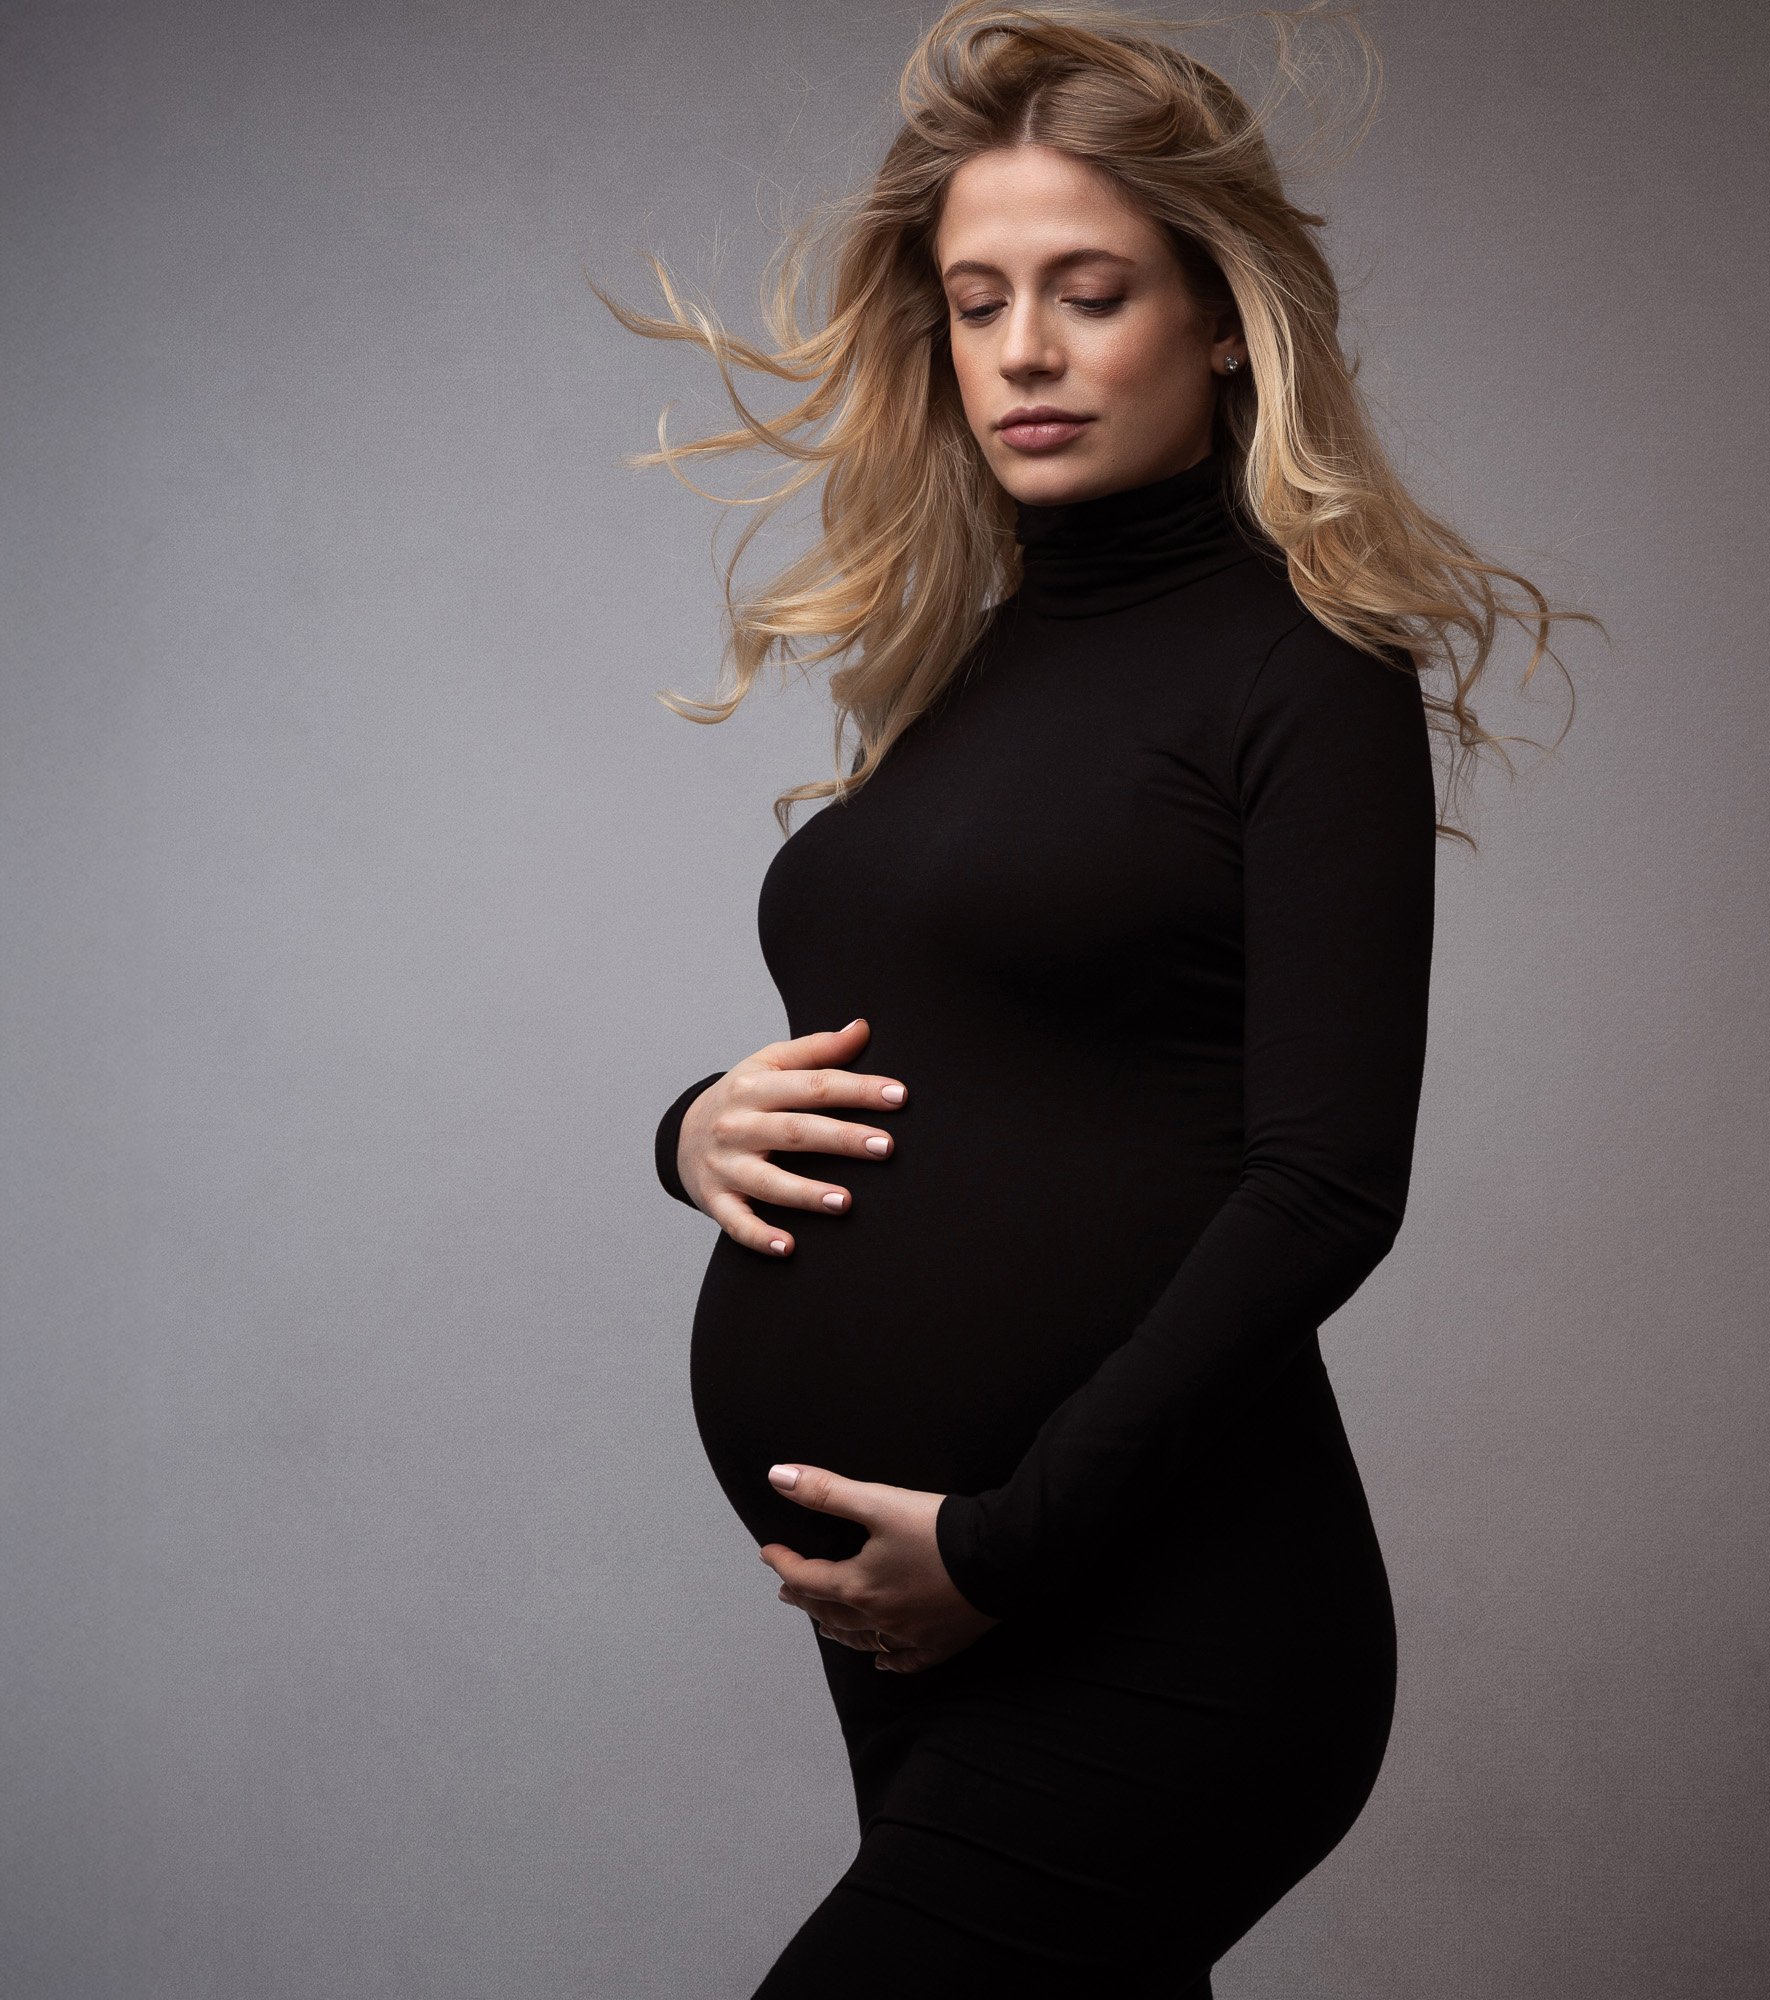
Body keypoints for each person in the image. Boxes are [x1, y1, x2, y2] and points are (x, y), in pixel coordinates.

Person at [605, 4, 1574, 1991]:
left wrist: (1005, 1543)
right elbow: (957, 1031)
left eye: (1087, 290)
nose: (1022, 351)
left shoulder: (1304, 670)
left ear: (1221, 316)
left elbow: (1324, 1180)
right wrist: (689, 1122)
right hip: (921, 1620)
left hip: (1166, 1625)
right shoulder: (973, 669)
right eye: (977, 300)